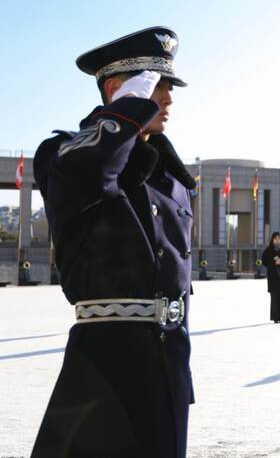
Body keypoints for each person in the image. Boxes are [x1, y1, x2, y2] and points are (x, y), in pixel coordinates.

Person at [31, 27, 195, 457]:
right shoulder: (64, 153)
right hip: (105, 362)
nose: (167, 98)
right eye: (155, 85)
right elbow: (91, 170)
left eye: (168, 86)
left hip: (166, 362)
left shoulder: (170, 177)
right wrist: (126, 115)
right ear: (116, 89)